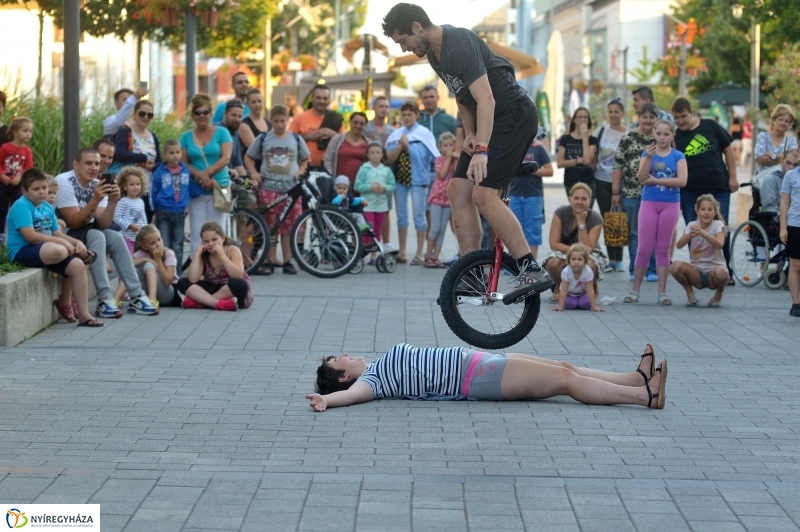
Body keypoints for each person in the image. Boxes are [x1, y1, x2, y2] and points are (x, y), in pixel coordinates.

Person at [382, 3, 553, 300]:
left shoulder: (457, 43)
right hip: (489, 122)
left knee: (482, 195)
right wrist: (471, 134)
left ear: (417, 27)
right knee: (457, 189)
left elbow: (486, 99)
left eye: (403, 40)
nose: (405, 48)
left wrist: (482, 150)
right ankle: (472, 273)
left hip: (512, 115)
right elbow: (463, 97)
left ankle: (530, 267)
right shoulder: (434, 55)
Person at [307, 343, 668, 410]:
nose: (348, 354)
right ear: (342, 378)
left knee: (563, 368)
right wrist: (327, 399)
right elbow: (351, 398)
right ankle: (644, 397)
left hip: (482, 362)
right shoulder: (373, 382)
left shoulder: (377, 368)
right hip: (478, 377)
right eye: (343, 359)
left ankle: (633, 380)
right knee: (565, 381)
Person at [55, 148, 159, 318]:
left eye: (96, 164)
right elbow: (73, 222)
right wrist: (95, 199)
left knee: (116, 236)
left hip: (85, 232)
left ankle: (136, 294)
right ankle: (104, 298)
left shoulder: (98, 184)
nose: (94, 167)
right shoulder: (64, 181)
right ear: (76, 164)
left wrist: (113, 202)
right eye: (88, 163)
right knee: (97, 236)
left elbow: (103, 223)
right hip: (61, 233)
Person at [6, 168, 102, 327]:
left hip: (47, 251)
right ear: (24, 190)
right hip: (23, 251)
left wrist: (76, 243)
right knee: (58, 249)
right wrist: (63, 244)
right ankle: (73, 258)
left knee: (77, 265)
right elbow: (30, 236)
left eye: (44, 188)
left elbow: (57, 234)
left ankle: (84, 315)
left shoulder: (47, 208)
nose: (42, 192)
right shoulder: (21, 206)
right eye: (36, 189)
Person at [672, 98, 738, 283]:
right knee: (693, 230)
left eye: (683, 116)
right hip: (690, 191)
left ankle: (725, 269)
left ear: (691, 112)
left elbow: (729, 151)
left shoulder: (711, 126)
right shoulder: (675, 137)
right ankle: (700, 269)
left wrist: (732, 177)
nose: (680, 121)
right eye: (676, 118)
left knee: (721, 229)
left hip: (718, 187)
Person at [624, 120, 687, 305]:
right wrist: (649, 160)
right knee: (644, 246)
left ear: (672, 135)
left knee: (663, 248)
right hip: (649, 202)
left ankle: (662, 291)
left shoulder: (678, 156)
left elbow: (682, 181)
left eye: (666, 134)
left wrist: (656, 181)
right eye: (658, 134)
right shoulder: (647, 153)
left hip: (670, 203)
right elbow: (642, 179)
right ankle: (635, 290)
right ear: (654, 135)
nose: (662, 137)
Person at [244, 105, 310, 275]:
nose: (279, 124)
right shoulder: (264, 138)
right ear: (271, 120)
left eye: (282, 121)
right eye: (276, 121)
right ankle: (270, 260)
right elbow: (249, 157)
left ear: (287, 120)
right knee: (270, 227)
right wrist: (254, 172)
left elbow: (305, 159)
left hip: (291, 190)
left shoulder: (295, 139)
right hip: (268, 189)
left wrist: (300, 172)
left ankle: (288, 260)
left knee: (289, 227)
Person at [385, 101, 439, 264]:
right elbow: (388, 159)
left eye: (410, 114)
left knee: (419, 215)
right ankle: (402, 252)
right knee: (401, 216)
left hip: (418, 179)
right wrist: (400, 146)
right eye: (405, 114)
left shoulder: (424, 133)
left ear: (417, 115)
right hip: (400, 179)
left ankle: (419, 253)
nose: (407, 117)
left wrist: (408, 145)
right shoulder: (396, 134)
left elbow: (426, 159)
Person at [180, 93, 233, 257]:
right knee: (197, 232)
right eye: (197, 112)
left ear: (211, 113)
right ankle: (198, 269)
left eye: (205, 112)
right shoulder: (186, 137)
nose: (202, 115)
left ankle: (219, 268)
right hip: (197, 190)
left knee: (218, 231)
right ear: (192, 115)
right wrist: (200, 177)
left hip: (219, 188)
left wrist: (207, 175)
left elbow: (225, 158)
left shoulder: (222, 132)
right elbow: (183, 162)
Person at [612, 103, 659, 282]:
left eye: (651, 117)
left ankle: (652, 270)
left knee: (653, 233)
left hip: (655, 194)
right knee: (634, 234)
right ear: (638, 117)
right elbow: (618, 165)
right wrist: (616, 192)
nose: (648, 120)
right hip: (631, 193)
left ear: (656, 119)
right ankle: (635, 269)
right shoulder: (628, 137)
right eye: (644, 116)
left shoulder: (659, 138)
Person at [542, 183, 605, 302]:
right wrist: (573, 253)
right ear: (570, 199)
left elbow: (587, 248)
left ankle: (587, 289)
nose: (579, 202)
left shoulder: (596, 218)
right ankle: (560, 288)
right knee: (552, 262)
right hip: (565, 251)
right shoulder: (561, 213)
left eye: (584, 199)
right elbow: (554, 243)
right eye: (576, 198)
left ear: (590, 200)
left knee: (589, 265)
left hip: (589, 254)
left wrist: (581, 222)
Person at [177, 221, 253, 310]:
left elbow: (238, 276)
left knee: (240, 285)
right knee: (182, 282)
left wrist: (222, 256)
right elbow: (193, 279)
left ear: (223, 238)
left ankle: (202, 302)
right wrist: (197, 254)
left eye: (214, 239)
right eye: (206, 241)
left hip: (229, 289)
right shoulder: (204, 253)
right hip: (212, 286)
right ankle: (217, 303)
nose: (211, 244)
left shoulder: (232, 250)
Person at [671, 195, 729, 307]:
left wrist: (703, 233)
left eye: (710, 209)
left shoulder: (718, 225)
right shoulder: (692, 225)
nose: (706, 213)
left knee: (723, 272)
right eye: (703, 209)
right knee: (675, 266)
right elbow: (679, 245)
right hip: (696, 272)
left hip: (714, 272)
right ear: (697, 211)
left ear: (714, 212)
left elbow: (719, 245)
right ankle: (689, 292)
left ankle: (719, 293)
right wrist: (689, 236)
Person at [594, 98, 628, 271]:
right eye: (611, 111)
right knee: (608, 220)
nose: (613, 115)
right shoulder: (600, 131)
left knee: (618, 220)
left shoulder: (629, 133)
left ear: (623, 113)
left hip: (621, 183)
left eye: (617, 112)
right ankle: (611, 259)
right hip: (601, 180)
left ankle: (619, 259)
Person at [508, 135, 553, 260]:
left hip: (533, 196)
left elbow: (550, 171)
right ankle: (515, 263)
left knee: (532, 232)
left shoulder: (538, 148)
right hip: (514, 195)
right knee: (513, 231)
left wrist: (530, 170)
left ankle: (531, 265)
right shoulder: (512, 146)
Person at [150, 139, 191, 270]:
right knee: (164, 244)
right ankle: (164, 273)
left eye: (178, 152)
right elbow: (153, 190)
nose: (175, 155)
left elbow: (190, 188)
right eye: (171, 153)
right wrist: (154, 209)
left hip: (179, 212)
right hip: (163, 212)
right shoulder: (160, 171)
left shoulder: (185, 170)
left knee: (178, 245)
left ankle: (176, 274)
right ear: (165, 154)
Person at [354, 141, 396, 263]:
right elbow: (357, 186)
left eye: (378, 152)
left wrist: (385, 189)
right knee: (367, 230)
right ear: (367, 154)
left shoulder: (386, 170)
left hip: (382, 206)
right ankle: (362, 255)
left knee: (377, 231)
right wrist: (369, 188)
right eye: (372, 152)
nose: (375, 155)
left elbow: (392, 185)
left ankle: (373, 256)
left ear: (383, 154)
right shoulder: (364, 169)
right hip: (367, 206)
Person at [288, 84, 344, 168]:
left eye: (325, 98)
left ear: (329, 100)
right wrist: (309, 136)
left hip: (329, 169)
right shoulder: (300, 118)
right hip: (303, 168)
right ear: (312, 98)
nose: (321, 101)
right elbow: (288, 140)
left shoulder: (335, 119)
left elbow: (346, 141)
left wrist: (332, 135)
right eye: (318, 98)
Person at [423, 132, 457, 267]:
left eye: (451, 145)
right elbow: (442, 174)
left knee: (442, 228)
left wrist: (454, 157)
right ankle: (428, 256)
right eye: (445, 145)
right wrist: (448, 158)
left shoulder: (456, 159)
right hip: (437, 198)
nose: (448, 148)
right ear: (440, 147)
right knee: (435, 227)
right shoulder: (439, 159)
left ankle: (436, 257)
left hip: (449, 198)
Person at [130, 224, 181, 308]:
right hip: (148, 292)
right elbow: (127, 264)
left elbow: (167, 281)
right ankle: (117, 299)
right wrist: (144, 259)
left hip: (168, 294)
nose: (158, 244)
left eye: (159, 239)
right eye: (153, 243)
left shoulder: (168, 253)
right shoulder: (143, 253)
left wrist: (158, 260)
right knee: (134, 269)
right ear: (144, 247)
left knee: (149, 265)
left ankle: (152, 300)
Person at [0, 117, 34, 240]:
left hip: (17, 185)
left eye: (30, 131)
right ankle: (1, 235)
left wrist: (20, 177)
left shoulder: (27, 151)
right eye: (25, 131)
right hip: (3, 184)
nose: (28, 134)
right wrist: (2, 175)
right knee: (1, 209)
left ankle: (17, 233)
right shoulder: (5, 147)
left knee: (18, 208)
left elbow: (28, 168)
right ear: (15, 132)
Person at [557, 107, 599, 206]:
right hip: (571, 181)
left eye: (586, 117)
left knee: (587, 213)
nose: (583, 119)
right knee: (575, 211)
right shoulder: (565, 139)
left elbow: (587, 160)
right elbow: (560, 163)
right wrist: (578, 160)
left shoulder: (592, 140)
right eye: (580, 117)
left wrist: (585, 137)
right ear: (574, 120)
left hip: (588, 181)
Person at [109, 99, 161, 177]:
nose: (146, 117)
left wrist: (154, 166)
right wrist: (143, 158)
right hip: (125, 180)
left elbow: (159, 160)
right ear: (135, 114)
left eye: (150, 115)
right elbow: (119, 154)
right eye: (142, 114)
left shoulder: (153, 136)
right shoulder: (125, 131)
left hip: (148, 182)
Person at [323, 112, 369, 190]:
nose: (358, 126)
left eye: (361, 124)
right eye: (355, 122)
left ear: (365, 126)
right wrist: (331, 179)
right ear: (350, 122)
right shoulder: (337, 139)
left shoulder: (369, 144)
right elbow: (328, 160)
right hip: (338, 186)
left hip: (360, 186)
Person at [552, 243, 604, 312]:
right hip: (569, 294)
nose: (576, 262)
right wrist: (560, 306)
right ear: (569, 260)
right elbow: (564, 290)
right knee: (571, 305)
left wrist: (594, 307)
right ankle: (569, 301)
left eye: (580, 259)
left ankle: (581, 301)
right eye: (573, 259)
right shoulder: (566, 272)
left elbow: (590, 290)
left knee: (585, 304)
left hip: (582, 293)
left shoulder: (588, 271)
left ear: (585, 260)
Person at [112, 166, 149, 254]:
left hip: (139, 238)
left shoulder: (141, 201)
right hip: (126, 238)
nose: (135, 187)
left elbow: (144, 218)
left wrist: (146, 230)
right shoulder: (123, 201)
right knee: (129, 260)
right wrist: (129, 225)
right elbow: (116, 218)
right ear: (125, 186)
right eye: (132, 184)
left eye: (138, 184)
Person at [779, 164, 800, 317]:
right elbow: (784, 202)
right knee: (796, 265)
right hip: (795, 224)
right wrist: (783, 227)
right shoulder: (790, 175)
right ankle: (795, 303)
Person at [754, 104, 797, 174]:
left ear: (789, 124)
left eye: (787, 121)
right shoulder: (763, 136)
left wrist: (771, 155)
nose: (783, 123)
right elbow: (759, 159)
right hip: (764, 181)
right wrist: (783, 159)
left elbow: (792, 160)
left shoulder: (791, 140)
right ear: (773, 120)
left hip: (783, 181)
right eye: (780, 119)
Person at [761, 149, 798, 216]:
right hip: (781, 220)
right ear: (781, 162)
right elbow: (770, 209)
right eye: (788, 163)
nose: (791, 167)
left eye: (796, 164)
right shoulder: (770, 181)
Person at [215, 99, 247, 177]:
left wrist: (247, 180)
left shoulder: (235, 132)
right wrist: (227, 170)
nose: (237, 119)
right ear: (225, 114)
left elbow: (238, 164)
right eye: (234, 115)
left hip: (231, 179)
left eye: (240, 116)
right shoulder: (215, 130)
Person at [238, 88, 271, 157]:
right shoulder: (244, 125)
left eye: (259, 101)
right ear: (248, 104)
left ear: (263, 101)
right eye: (253, 102)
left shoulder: (269, 123)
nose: (257, 104)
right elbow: (255, 149)